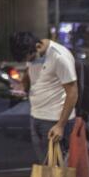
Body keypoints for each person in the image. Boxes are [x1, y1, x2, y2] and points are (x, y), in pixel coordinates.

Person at [10, 31, 77, 162]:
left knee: (56, 170)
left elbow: (72, 93)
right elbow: (29, 71)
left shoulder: (59, 57)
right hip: (36, 117)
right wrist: (22, 86)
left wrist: (60, 126)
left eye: (28, 58)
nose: (28, 62)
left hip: (54, 120)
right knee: (45, 168)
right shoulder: (32, 52)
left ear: (36, 46)